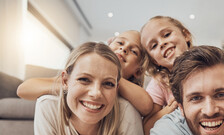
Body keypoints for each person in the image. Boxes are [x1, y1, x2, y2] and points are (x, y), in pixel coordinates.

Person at [17, 30, 153, 117]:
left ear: (138, 71)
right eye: (120, 43)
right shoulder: (73, 79)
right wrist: (73, 88)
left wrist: (114, 73)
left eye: (133, 51)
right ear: (108, 47)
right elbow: (23, 90)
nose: (124, 49)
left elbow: (147, 106)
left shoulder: (132, 95)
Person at [140, 16, 193, 135]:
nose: (162, 43)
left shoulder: (209, 64)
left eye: (167, 34)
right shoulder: (159, 82)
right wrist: (172, 107)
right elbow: (146, 130)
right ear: (154, 61)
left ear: (186, 35)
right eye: (154, 46)